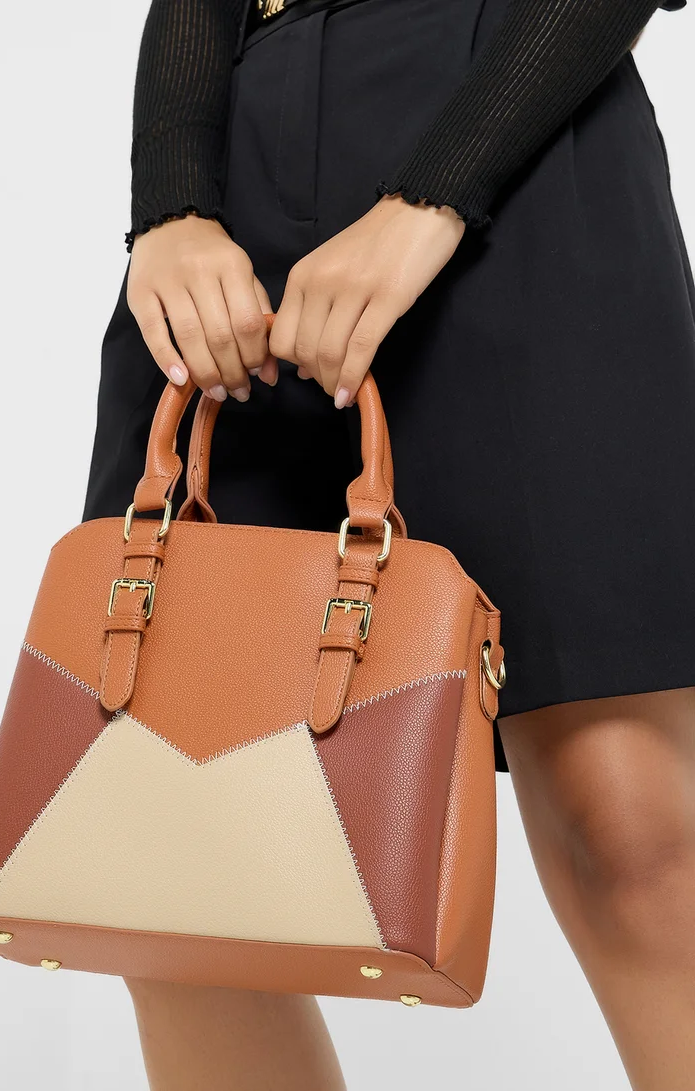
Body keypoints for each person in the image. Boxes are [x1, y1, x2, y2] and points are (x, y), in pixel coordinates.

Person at [82, 0, 695, 1087]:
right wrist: (169, 202)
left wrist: (432, 193)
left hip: (521, 140)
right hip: (228, 214)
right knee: (169, 878)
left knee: (632, 836)